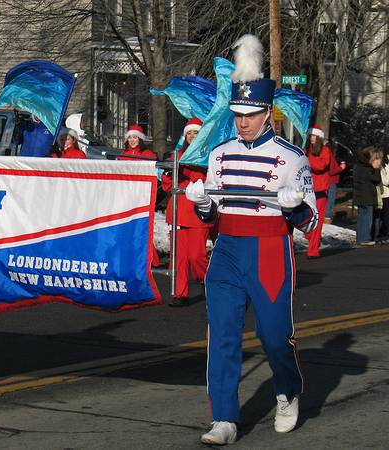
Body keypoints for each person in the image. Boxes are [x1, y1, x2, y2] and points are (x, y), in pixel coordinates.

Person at [184, 35, 317, 445]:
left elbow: (311, 223)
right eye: (238, 113)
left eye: (251, 114)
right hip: (226, 251)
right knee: (221, 334)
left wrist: (294, 206)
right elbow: (212, 213)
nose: (243, 122)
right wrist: (202, 202)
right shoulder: (219, 154)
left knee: (274, 337)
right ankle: (223, 417)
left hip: (269, 251)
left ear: (267, 113)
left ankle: (288, 389)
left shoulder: (293, 156)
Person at [160, 118, 212, 306]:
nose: (192, 136)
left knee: (196, 256)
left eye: (195, 133)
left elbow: (201, 180)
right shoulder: (176, 156)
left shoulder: (206, 156)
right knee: (178, 258)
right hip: (178, 213)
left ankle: (209, 281)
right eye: (189, 133)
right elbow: (166, 186)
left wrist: (184, 167)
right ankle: (179, 293)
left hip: (197, 213)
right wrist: (168, 173)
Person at [117, 123, 161, 268]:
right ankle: (130, 256)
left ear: (140, 139)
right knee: (127, 228)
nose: (132, 140)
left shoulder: (148, 155)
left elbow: (155, 175)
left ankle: (151, 258)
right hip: (126, 196)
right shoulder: (122, 156)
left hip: (142, 197)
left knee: (142, 229)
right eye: (130, 138)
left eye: (135, 137)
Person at [303, 124, 334, 258]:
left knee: (317, 221)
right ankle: (311, 237)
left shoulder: (325, 150)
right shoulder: (306, 150)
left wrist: (308, 160)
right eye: (311, 136)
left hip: (320, 191)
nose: (312, 139)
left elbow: (321, 166)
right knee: (306, 219)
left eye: (314, 136)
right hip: (307, 189)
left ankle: (313, 250)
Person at [352, 146, 384, 246]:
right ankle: (365, 238)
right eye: (376, 159)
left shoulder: (359, 165)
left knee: (362, 217)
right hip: (367, 196)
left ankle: (360, 238)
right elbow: (376, 179)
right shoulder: (367, 168)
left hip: (360, 195)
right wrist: (377, 170)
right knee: (367, 218)